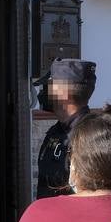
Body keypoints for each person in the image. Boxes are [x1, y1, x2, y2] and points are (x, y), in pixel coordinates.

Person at [35, 59, 97, 199]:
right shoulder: (56, 131)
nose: (43, 93)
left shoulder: (92, 138)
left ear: (63, 94)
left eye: (48, 87)